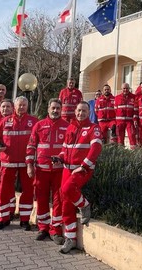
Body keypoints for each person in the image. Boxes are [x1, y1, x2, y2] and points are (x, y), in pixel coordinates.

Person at [52, 102, 103, 254]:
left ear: (89, 112)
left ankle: (85, 205)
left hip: (83, 169)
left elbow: (96, 148)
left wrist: (85, 165)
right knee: (65, 202)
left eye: (84, 111)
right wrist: (59, 158)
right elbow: (64, 148)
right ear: (75, 111)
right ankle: (71, 238)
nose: (81, 113)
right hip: (67, 169)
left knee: (67, 189)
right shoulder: (71, 127)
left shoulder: (94, 128)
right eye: (79, 110)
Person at [26, 98, 69, 244]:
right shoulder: (39, 125)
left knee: (58, 200)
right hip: (41, 170)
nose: (55, 110)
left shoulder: (67, 126)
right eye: (53, 108)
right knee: (42, 198)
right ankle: (43, 228)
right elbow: (31, 147)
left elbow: (69, 148)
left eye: (58, 108)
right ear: (48, 109)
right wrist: (29, 165)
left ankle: (55, 230)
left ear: (61, 109)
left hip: (59, 171)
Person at [0, 96, 38, 230]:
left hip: (26, 162)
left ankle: (25, 220)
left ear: (27, 106)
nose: (22, 107)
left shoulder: (34, 121)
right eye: (20, 105)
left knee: (28, 190)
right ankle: (3, 218)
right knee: (4, 191)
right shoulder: (6, 121)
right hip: (8, 162)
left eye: (24, 105)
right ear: (15, 106)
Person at [114, 83, 138, 148]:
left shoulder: (134, 97)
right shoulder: (117, 98)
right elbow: (115, 110)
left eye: (127, 88)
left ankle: (133, 152)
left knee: (132, 136)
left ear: (129, 88)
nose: (125, 90)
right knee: (120, 138)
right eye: (124, 88)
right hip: (119, 121)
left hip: (129, 121)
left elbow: (135, 110)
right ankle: (121, 152)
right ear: (121, 89)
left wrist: (135, 119)